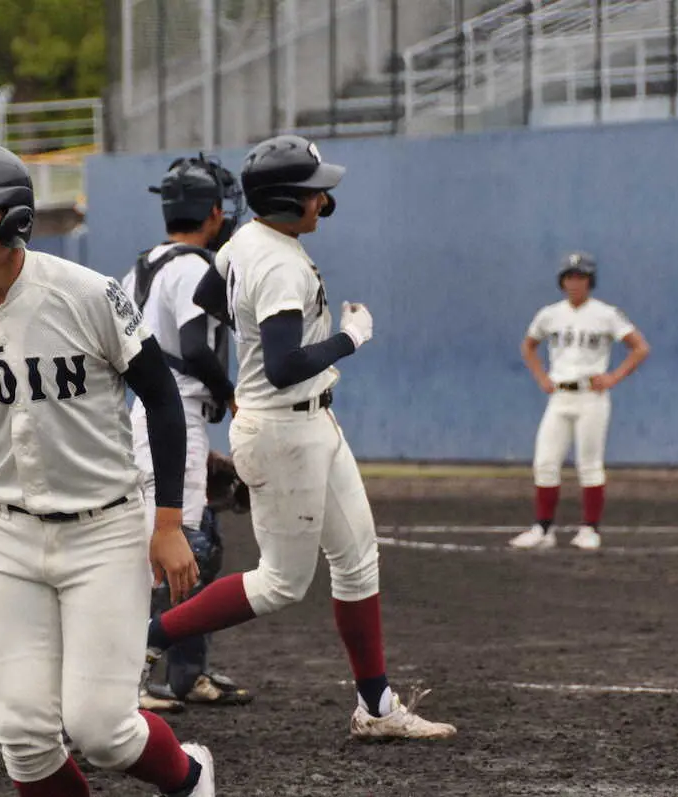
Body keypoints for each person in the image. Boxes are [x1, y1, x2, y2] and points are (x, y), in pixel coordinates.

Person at [0, 140, 216, 797]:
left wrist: (169, 521)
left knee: (102, 729)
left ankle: (190, 777)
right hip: (10, 538)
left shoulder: (87, 294)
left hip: (105, 529)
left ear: (15, 220)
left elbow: (160, 393)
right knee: (26, 740)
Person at [143, 134, 456, 741]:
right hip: (285, 427)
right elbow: (285, 365)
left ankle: (377, 707)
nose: (323, 198)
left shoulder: (249, 240)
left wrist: (256, 340)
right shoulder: (279, 260)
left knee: (358, 560)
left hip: (308, 422)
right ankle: (145, 643)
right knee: (282, 582)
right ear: (289, 199)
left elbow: (213, 296)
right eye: (314, 190)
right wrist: (351, 338)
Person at [121, 154, 253, 711]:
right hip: (173, 417)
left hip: (154, 415)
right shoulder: (198, 266)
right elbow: (196, 348)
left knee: (201, 548)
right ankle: (129, 679)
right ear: (215, 212)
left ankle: (188, 675)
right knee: (182, 547)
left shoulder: (140, 268)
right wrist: (228, 393)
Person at [510, 252, 650, 551]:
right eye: (570, 277)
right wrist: (541, 377)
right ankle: (543, 528)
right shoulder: (550, 314)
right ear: (562, 281)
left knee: (590, 463)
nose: (575, 283)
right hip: (560, 395)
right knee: (545, 461)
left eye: (581, 277)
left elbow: (639, 347)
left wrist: (613, 377)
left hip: (591, 396)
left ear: (590, 281)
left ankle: (589, 529)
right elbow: (529, 345)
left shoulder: (605, 314)